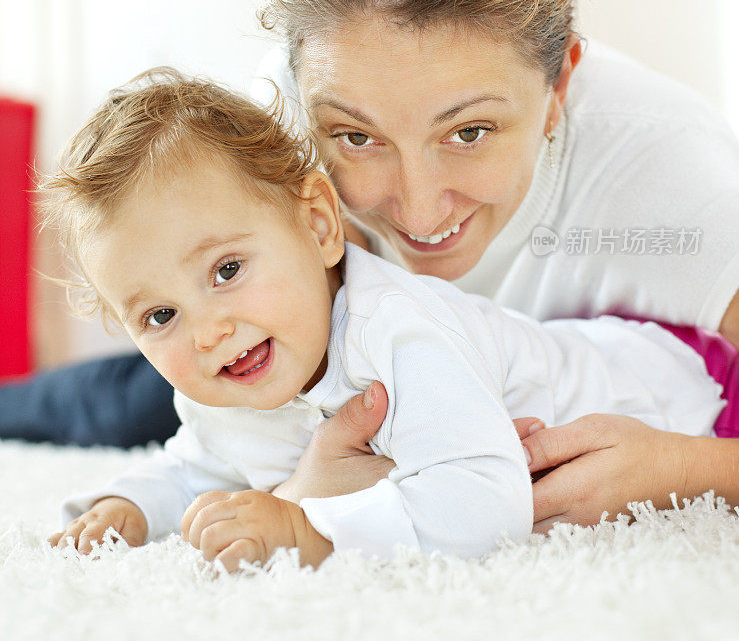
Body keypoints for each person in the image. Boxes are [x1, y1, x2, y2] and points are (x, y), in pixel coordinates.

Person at [4, 0, 739, 531]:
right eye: (357, 137)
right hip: (303, 359)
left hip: (569, 367)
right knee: (145, 401)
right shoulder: (282, 121)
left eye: (470, 132)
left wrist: (684, 466)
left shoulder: (673, 181)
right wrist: (301, 487)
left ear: (558, 85)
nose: (417, 213)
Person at [47, 71, 727, 569]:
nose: (207, 331)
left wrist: (306, 529)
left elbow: (482, 505)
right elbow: (197, 469)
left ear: (318, 226)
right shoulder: (222, 379)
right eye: (160, 314)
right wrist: (128, 507)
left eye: (227, 271)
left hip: (693, 391)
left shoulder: (397, 331)